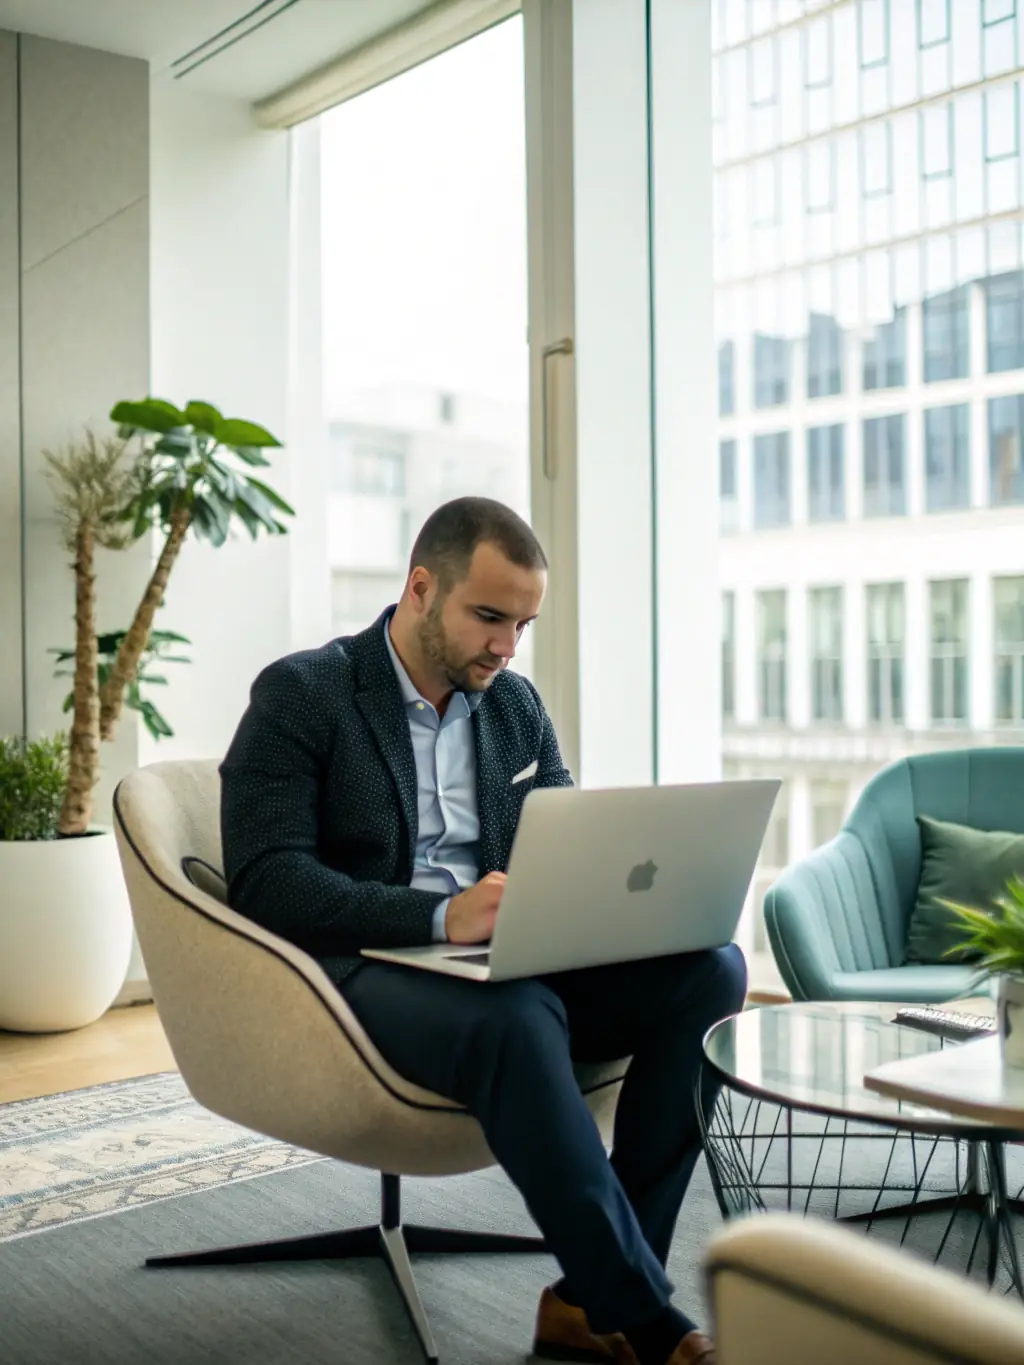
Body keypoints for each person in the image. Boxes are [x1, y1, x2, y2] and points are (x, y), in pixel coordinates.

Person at [220, 496, 746, 1365]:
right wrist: (436, 912)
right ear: (421, 588)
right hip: (369, 964)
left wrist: (617, 911)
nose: (506, 646)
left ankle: (589, 1297)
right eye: (490, 616)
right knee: (517, 1013)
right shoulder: (304, 693)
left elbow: (568, 840)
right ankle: (645, 1319)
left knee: (711, 970)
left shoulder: (514, 705)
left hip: (504, 954)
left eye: (523, 624)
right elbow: (268, 879)